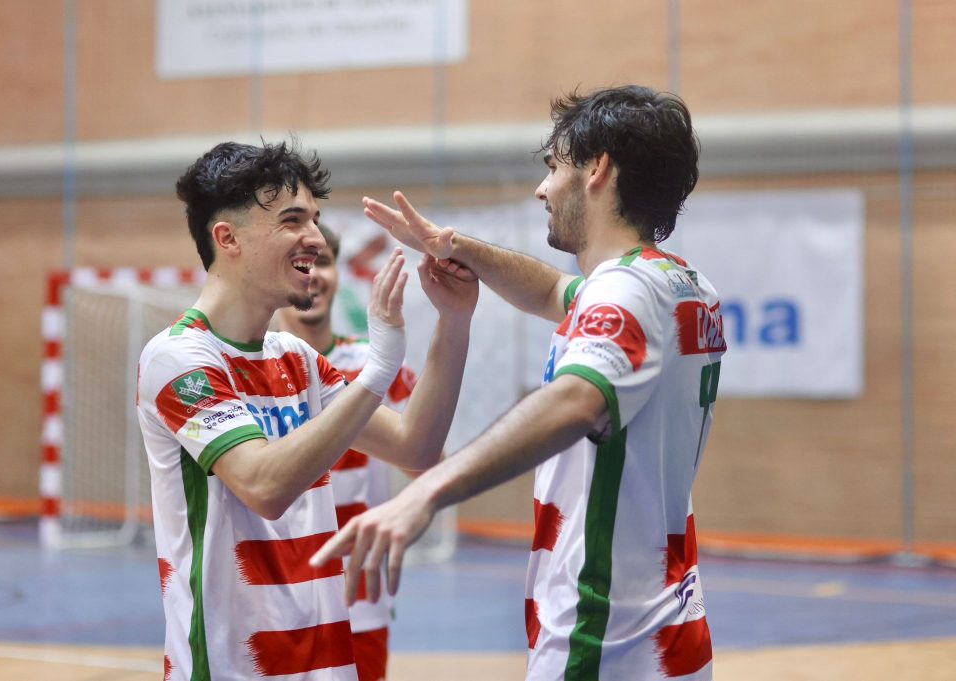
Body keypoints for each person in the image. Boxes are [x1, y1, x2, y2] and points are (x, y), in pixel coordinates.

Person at [312, 85, 726, 680]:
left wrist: (425, 494)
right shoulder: (681, 284)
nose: (542, 187)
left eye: (555, 166)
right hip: (669, 629)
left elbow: (579, 400)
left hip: (604, 638)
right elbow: (548, 290)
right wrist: (453, 247)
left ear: (598, 171)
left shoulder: (623, 291)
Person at [136, 140, 477, 681]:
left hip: (328, 664)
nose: (316, 240)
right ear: (227, 239)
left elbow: (417, 445)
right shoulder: (177, 358)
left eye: (315, 221)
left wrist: (454, 322)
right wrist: (378, 373)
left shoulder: (295, 358)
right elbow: (264, 487)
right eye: (293, 220)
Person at [276, 224, 419, 681]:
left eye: (323, 261)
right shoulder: (247, 370)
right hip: (273, 592)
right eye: (299, 263)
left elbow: (427, 464)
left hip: (356, 595)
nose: (313, 274)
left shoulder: (376, 369)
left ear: (339, 273)